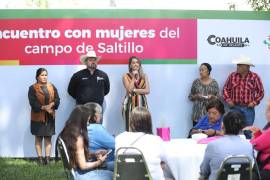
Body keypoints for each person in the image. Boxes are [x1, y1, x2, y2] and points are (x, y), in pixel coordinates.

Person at [116, 107, 170, 180]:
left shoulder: (119, 138)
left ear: (131, 122)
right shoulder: (156, 140)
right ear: (149, 123)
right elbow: (166, 160)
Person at [60, 105, 113, 180]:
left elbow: (76, 154)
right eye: (87, 121)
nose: (88, 124)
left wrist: (94, 153)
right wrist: (99, 162)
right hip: (80, 176)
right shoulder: (78, 139)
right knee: (112, 175)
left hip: (74, 172)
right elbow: (83, 166)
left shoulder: (67, 132)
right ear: (81, 121)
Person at [199, 111, 253, 180]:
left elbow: (204, 171)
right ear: (241, 128)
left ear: (222, 125)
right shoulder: (249, 146)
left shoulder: (213, 145)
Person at [28, 68, 60, 165]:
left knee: (48, 138)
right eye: (42, 75)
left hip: (50, 117)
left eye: (46, 75)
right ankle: (40, 159)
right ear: (37, 77)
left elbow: (57, 99)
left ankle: (47, 159)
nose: (44, 77)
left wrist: (52, 105)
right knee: (38, 138)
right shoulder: (32, 88)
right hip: (37, 117)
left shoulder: (52, 86)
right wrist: (45, 108)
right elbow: (32, 102)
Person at [223, 56, 264, 127]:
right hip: (234, 107)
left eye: (239, 65)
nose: (237, 67)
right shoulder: (232, 76)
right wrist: (228, 100)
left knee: (248, 130)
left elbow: (261, 92)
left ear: (247, 67)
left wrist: (254, 102)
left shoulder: (254, 77)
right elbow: (225, 89)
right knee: (233, 128)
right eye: (237, 65)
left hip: (248, 108)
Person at [84, 102, 115, 171]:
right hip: (97, 165)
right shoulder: (96, 129)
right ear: (95, 116)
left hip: (87, 163)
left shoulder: (80, 127)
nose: (101, 116)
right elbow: (117, 145)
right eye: (100, 114)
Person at [122, 56, 150, 131]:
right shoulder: (125, 76)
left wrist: (134, 90)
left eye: (137, 62)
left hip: (142, 103)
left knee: (143, 125)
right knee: (130, 126)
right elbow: (129, 90)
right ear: (130, 65)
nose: (135, 64)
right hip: (130, 103)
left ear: (139, 65)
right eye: (133, 62)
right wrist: (134, 77)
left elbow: (147, 91)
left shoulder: (144, 76)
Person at [246, 100, 270, 180]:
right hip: (264, 164)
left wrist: (255, 136)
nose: (266, 114)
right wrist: (258, 133)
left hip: (267, 169)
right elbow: (265, 141)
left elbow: (255, 144)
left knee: (244, 175)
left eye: (267, 111)